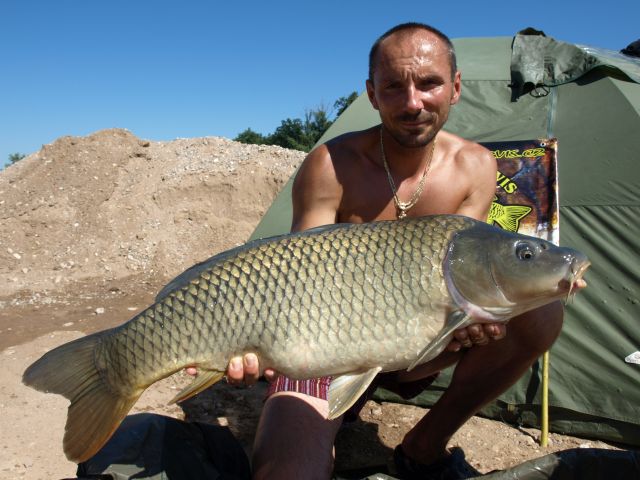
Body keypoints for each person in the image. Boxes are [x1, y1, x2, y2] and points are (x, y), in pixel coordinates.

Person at [194, 22, 579, 479]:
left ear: (455, 88)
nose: (413, 102)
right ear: (372, 95)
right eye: (394, 87)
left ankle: (424, 445)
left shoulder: (475, 165)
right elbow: (293, 278)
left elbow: (470, 270)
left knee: (541, 315)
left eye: (429, 83)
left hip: (424, 343)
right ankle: (333, 411)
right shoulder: (331, 165)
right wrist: (260, 348)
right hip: (324, 345)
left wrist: (473, 325)